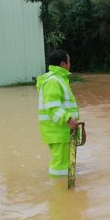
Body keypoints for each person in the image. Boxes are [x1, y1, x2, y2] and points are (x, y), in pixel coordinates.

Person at [36, 49, 80, 178]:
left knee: (65, 166)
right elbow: (52, 108)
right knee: (60, 168)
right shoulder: (53, 81)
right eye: (69, 61)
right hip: (59, 132)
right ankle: (60, 194)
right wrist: (68, 119)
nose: (70, 64)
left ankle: (66, 194)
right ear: (63, 64)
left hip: (64, 131)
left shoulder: (59, 80)